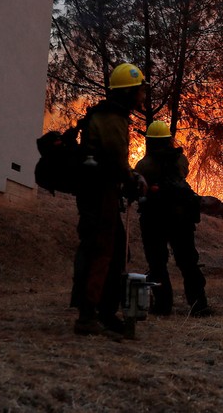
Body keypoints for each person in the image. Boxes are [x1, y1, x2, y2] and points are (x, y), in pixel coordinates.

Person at [71, 62, 147, 338]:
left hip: (99, 192)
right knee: (101, 252)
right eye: (140, 91)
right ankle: (88, 315)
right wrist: (132, 180)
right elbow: (115, 161)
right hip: (100, 193)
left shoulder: (108, 115)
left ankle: (104, 312)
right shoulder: (113, 119)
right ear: (128, 92)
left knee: (116, 253)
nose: (143, 97)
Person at [134, 120, 210, 317]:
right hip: (181, 218)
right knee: (188, 262)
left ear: (149, 141)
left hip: (153, 219)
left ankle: (162, 306)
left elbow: (139, 187)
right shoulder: (180, 159)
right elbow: (184, 175)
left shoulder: (143, 165)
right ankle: (199, 305)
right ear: (169, 140)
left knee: (157, 263)